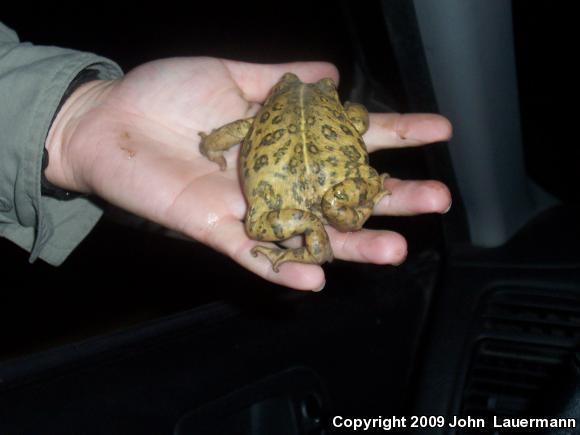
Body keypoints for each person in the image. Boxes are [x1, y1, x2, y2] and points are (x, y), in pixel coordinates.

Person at [0, 22, 452, 292]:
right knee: (343, 210)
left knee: (259, 225)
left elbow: (222, 137)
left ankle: (311, 241)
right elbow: (357, 120)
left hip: (283, 201)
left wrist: (209, 147)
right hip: (330, 186)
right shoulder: (343, 116)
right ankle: (327, 230)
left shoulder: (254, 123)